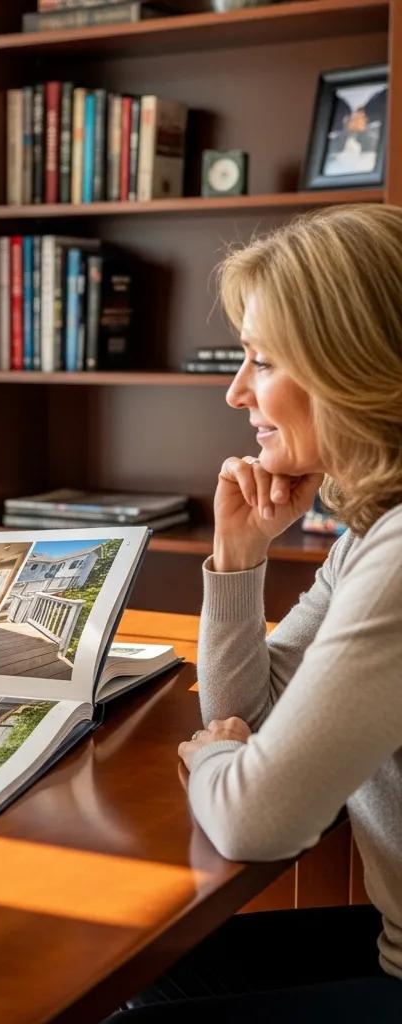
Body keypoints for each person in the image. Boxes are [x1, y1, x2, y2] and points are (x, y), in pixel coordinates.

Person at [110, 204, 402, 1020]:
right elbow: (248, 711)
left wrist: (212, 761)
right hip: (391, 946)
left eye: (262, 361)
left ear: (353, 367)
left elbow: (254, 819)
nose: (238, 392)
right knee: (139, 977)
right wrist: (239, 557)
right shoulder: (372, 535)